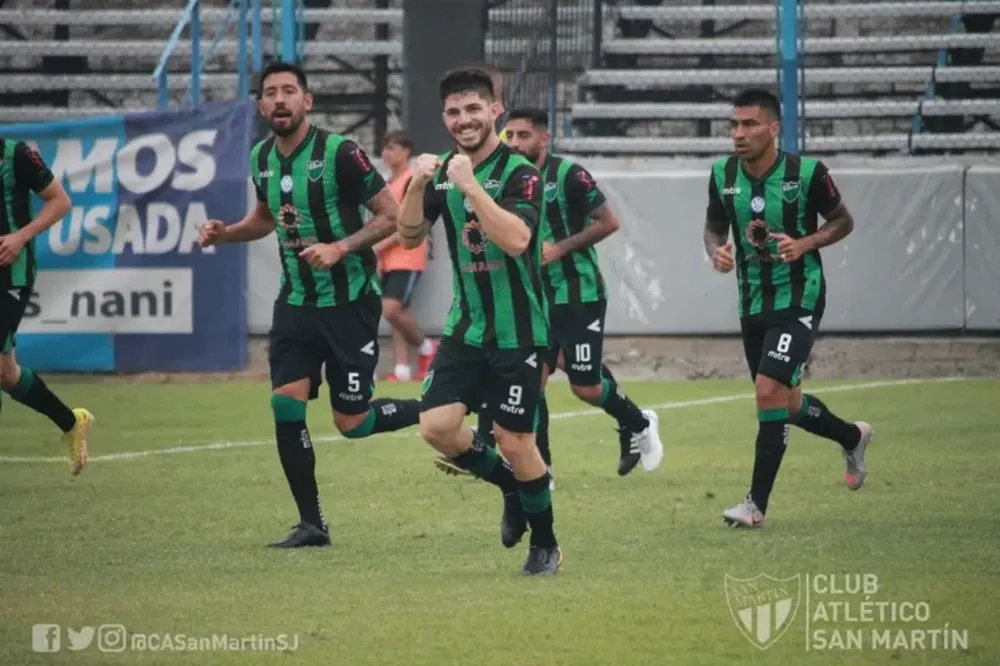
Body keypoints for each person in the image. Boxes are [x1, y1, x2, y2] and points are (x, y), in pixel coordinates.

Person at [199, 61, 421, 548]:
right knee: (285, 404)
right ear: (260, 105)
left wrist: (342, 247)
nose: (279, 99)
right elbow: (264, 218)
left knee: (353, 423)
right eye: (270, 92)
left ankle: (436, 407)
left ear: (307, 101)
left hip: (350, 303)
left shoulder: (341, 152)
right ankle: (312, 524)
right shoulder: (261, 156)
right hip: (296, 302)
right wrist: (227, 233)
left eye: (289, 91)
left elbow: (391, 216)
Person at [440, 107, 665, 483]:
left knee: (586, 386)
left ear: (544, 139)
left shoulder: (569, 175)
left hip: (577, 293)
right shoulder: (501, 177)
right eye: (510, 135)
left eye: (524, 136)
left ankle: (639, 422)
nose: (515, 143)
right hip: (532, 298)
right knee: (532, 381)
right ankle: (540, 469)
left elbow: (609, 222)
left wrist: (560, 248)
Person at [396, 66, 560, 576]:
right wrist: (418, 185)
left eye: (473, 109)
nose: (464, 120)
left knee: (517, 442)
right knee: (437, 427)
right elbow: (406, 238)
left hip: (519, 331)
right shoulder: (443, 169)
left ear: (495, 112)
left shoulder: (522, 174)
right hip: (466, 327)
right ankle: (511, 485)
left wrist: (471, 189)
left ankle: (547, 545)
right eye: (453, 112)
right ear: (443, 117)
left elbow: (516, 240)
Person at [703, 88, 873, 528]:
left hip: (800, 297)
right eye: (734, 125)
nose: (738, 134)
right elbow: (714, 226)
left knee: (767, 390)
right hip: (752, 302)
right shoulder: (722, 173)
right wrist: (715, 252)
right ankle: (853, 436)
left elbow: (843, 221)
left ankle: (754, 506)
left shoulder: (809, 173)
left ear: (774, 128)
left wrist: (805, 243)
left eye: (749, 124)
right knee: (787, 403)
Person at [0, 139, 94, 475]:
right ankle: (72, 422)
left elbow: (60, 201)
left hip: (10, 274)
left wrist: (20, 236)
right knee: (6, 374)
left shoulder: (16, 154)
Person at [373, 130, 437, 382]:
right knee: (398, 313)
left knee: (390, 309)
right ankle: (402, 369)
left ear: (406, 151)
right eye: (385, 148)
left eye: (393, 147)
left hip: (407, 256)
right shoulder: (388, 184)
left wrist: (379, 246)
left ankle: (427, 347)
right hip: (388, 259)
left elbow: (413, 224)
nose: (387, 153)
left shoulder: (413, 180)